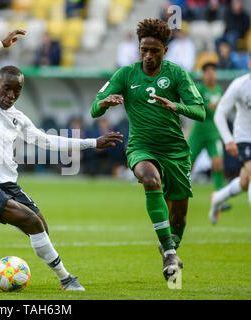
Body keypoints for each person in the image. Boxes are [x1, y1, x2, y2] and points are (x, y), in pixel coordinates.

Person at [0, 29, 123, 291]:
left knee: (41, 227)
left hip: (7, 184)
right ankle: (66, 279)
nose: (11, 95)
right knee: (33, 222)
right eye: (6, 88)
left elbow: (48, 141)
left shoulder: (18, 119)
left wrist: (93, 142)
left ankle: (41, 269)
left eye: (17, 91)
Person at [90, 19, 205, 282]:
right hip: (141, 147)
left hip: (175, 151)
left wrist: (177, 107)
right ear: (139, 48)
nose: (148, 56)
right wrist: (105, 103)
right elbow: (94, 108)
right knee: (150, 180)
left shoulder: (176, 74)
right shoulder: (126, 74)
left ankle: (169, 247)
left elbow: (200, 111)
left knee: (180, 216)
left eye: (155, 50)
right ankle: (169, 252)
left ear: (165, 49)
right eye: (144, 50)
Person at [209, 56, 251, 224]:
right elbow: (220, 113)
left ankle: (218, 197)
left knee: (244, 182)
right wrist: (228, 140)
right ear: (249, 63)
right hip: (244, 138)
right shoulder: (240, 85)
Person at [187, 63, 230, 208]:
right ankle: (180, 191)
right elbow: (195, 106)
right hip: (198, 132)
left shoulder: (218, 89)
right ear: (203, 75)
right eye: (208, 72)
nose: (211, 75)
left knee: (218, 164)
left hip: (213, 132)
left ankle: (219, 197)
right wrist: (207, 106)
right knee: (188, 164)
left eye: (213, 71)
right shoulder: (199, 89)